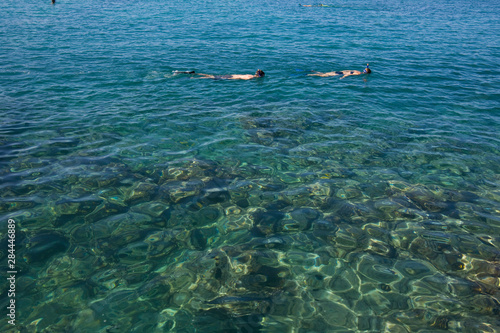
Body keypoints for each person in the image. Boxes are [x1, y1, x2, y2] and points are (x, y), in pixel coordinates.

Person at [195, 69, 265, 80]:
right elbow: (239, 78)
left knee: (209, 75)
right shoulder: (250, 78)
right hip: (229, 77)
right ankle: (194, 78)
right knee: (209, 77)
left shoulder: (249, 74)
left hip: (230, 75)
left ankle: (196, 73)